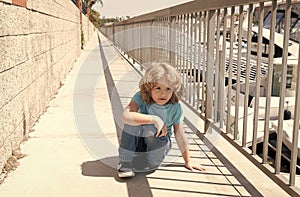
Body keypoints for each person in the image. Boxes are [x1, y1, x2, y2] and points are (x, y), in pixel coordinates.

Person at [118, 62, 205, 178]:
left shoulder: (175, 107)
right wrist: (155, 119)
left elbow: (180, 134)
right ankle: (125, 162)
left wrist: (188, 161)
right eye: (158, 88)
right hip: (138, 145)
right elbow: (125, 116)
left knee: (150, 129)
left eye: (168, 89)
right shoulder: (140, 97)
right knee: (133, 120)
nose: (163, 93)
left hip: (157, 147)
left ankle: (148, 161)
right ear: (149, 88)